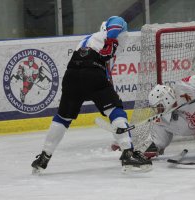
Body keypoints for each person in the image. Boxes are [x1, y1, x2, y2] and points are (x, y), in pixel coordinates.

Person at [31, 16, 152, 174]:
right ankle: (128, 153)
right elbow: (116, 23)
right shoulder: (108, 37)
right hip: (93, 72)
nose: (125, 37)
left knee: (63, 117)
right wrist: (110, 41)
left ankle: (44, 157)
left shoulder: (86, 40)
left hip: (71, 75)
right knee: (116, 110)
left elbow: (103, 72)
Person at [111, 75, 195, 160]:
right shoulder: (163, 119)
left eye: (159, 107)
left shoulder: (187, 86)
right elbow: (159, 140)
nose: (158, 111)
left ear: (166, 99)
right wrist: (132, 148)